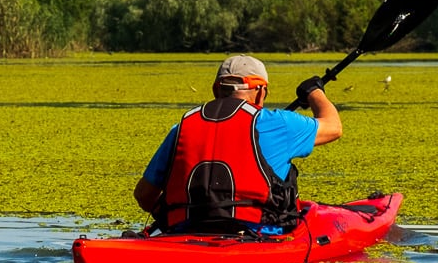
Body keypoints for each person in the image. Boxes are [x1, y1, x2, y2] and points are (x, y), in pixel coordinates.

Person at [132, 54, 341, 233]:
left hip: (184, 234)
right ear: (261, 91)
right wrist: (313, 91)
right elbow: (333, 127)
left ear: (216, 90)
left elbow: (144, 195)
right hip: (257, 236)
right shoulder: (279, 123)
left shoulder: (182, 128)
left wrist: (169, 216)